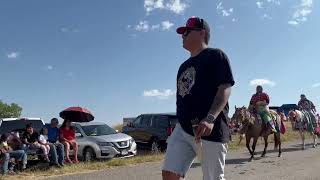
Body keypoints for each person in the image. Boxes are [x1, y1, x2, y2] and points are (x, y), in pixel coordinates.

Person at [162, 16, 235, 180]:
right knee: (169, 173)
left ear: (202, 33)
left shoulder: (216, 56)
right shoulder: (183, 66)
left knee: (212, 178)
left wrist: (210, 118)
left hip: (209, 130)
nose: (183, 35)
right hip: (183, 129)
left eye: (187, 31)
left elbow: (225, 88)